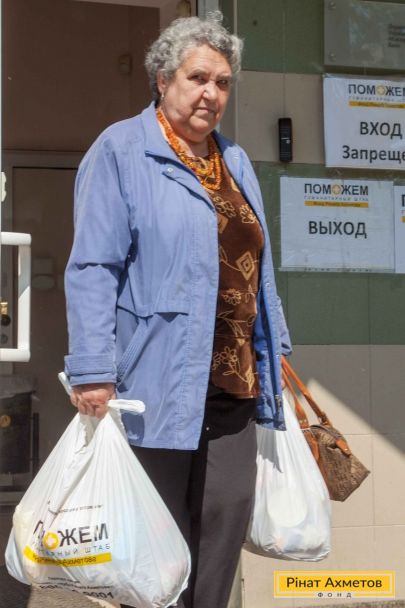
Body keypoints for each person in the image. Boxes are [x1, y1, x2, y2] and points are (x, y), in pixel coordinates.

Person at [64, 11, 291, 608]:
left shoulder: (234, 161)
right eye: (198, 78)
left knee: (225, 521)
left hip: (233, 383)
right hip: (156, 381)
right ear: (163, 80)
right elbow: (93, 267)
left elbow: (255, 269)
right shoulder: (121, 150)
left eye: (223, 82)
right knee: (156, 548)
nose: (211, 93)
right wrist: (92, 368)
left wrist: (272, 353)